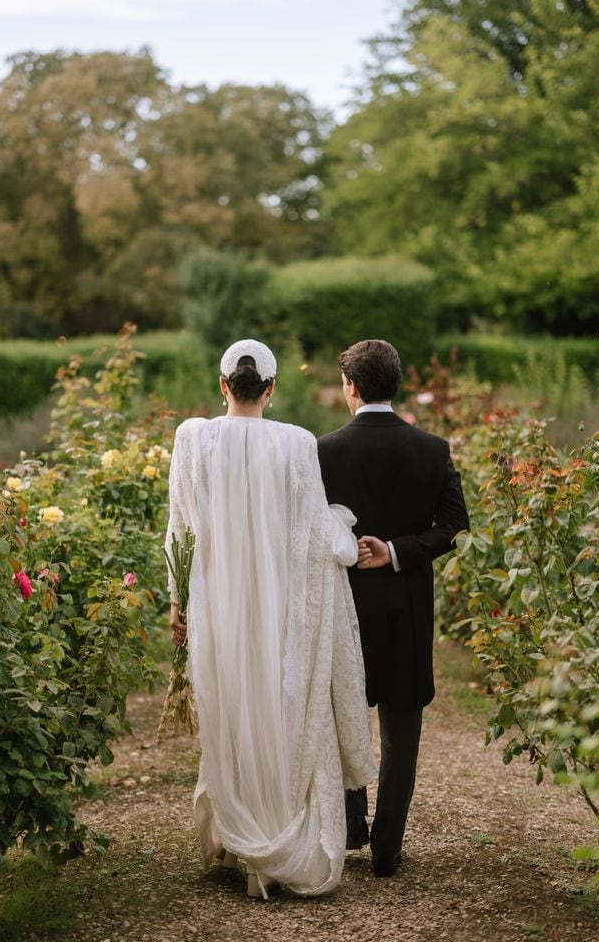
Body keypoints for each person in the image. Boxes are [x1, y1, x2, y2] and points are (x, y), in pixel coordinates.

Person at [166, 339, 376, 900]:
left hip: (219, 602)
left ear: (222, 384)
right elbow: (313, 534)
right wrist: (344, 531)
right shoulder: (297, 442)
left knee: (230, 706)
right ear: (272, 389)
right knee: (279, 708)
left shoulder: (192, 438)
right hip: (282, 605)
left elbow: (180, 532)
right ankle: (275, 841)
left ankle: (243, 842)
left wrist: (178, 602)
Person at [317, 339, 469, 878]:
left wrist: (351, 546)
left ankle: (353, 825)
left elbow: (312, 532)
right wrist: (399, 551)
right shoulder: (432, 448)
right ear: (395, 384)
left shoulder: (324, 450)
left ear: (351, 388)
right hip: (406, 605)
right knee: (402, 731)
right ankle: (387, 848)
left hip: (346, 608)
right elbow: (454, 525)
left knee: (345, 715)